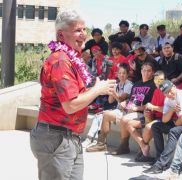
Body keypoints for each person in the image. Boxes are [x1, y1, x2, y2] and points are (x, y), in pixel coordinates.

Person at [30, 10, 116, 180]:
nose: (84, 34)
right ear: (61, 35)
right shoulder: (60, 60)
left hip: (70, 138)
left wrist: (99, 87)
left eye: (85, 30)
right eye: (78, 30)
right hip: (56, 139)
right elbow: (70, 105)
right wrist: (98, 89)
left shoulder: (72, 59)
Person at [87, 62, 156, 154]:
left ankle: (124, 146)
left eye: (149, 71)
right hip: (128, 110)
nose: (146, 73)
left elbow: (151, 105)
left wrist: (137, 108)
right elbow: (130, 99)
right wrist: (125, 102)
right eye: (144, 70)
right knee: (106, 114)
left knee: (124, 119)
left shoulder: (153, 85)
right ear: (141, 71)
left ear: (152, 72)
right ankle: (101, 144)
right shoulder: (137, 84)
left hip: (140, 113)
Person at [143, 80, 182, 175]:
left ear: (174, 86)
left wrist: (174, 125)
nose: (169, 94)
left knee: (173, 131)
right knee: (156, 126)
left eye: (170, 90)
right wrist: (172, 110)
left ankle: (160, 164)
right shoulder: (168, 99)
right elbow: (164, 119)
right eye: (166, 92)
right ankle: (159, 160)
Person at [83, 63, 133, 149]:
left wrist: (113, 92)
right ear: (117, 74)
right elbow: (110, 101)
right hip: (117, 110)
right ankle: (90, 138)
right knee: (98, 115)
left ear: (127, 74)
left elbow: (121, 100)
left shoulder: (129, 85)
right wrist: (111, 91)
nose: (122, 75)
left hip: (125, 111)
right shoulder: (117, 85)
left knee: (104, 115)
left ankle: (98, 142)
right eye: (120, 73)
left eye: (124, 73)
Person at [132, 70, 166, 162]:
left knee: (148, 127)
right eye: (156, 80)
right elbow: (152, 109)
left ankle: (143, 151)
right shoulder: (156, 91)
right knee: (130, 123)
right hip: (155, 117)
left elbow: (167, 110)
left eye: (161, 80)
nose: (159, 82)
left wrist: (152, 107)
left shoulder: (167, 91)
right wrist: (148, 111)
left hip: (167, 119)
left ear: (165, 80)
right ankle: (143, 149)